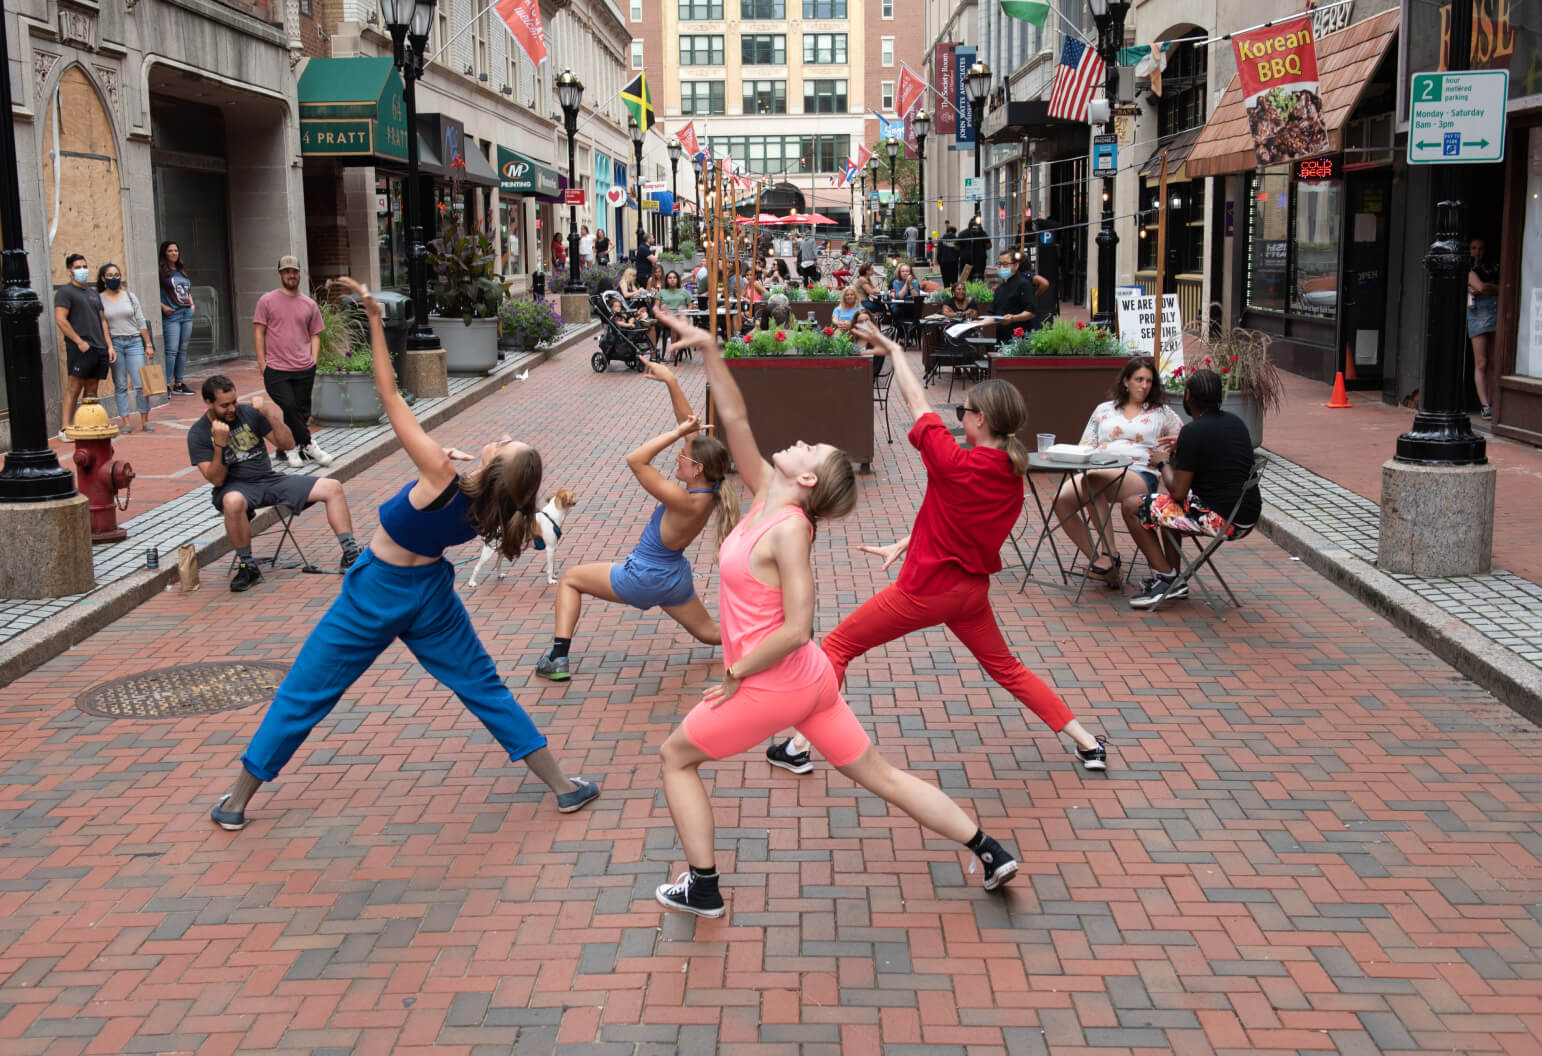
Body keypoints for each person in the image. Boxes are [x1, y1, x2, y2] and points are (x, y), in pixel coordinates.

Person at [648, 306, 1021, 918]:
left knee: (674, 757)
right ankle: (987, 849)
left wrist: (735, 674)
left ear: (809, 483)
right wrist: (710, 349)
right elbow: (735, 415)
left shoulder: (791, 528)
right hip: (811, 685)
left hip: (774, 684)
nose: (799, 442)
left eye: (810, 450)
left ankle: (704, 886)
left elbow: (798, 629)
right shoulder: (768, 489)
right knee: (881, 775)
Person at [209, 276, 599, 832]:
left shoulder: (443, 475)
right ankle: (563, 787)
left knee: (305, 691)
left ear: (493, 469)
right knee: (483, 688)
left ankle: (236, 801)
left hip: (376, 591)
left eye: (505, 445)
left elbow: (390, 395)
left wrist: (372, 316)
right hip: (431, 597)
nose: (502, 435)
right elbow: (469, 492)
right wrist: (452, 463)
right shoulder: (490, 506)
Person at [766, 322, 1109, 777]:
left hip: (925, 591)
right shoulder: (1010, 472)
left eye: (965, 411)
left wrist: (892, 348)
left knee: (838, 645)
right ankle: (1087, 743)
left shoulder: (955, 463)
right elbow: (963, 522)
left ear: (981, 419)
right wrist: (909, 541)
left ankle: (799, 745)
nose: (959, 416)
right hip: (969, 594)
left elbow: (916, 404)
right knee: (1007, 669)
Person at [534, 360, 738, 680]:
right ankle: (767, 637)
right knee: (711, 632)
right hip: (673, 579)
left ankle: (558, 658)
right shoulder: (711, 490)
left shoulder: (683, 500)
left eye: (683, 458)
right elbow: (693, 431)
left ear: (698, 468)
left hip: (642, 578)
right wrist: (671, 381)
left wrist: (675, 433)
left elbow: (636, 460)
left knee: (570, 579)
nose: (678, 457)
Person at [188, 375, 359, 591]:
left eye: (234, 402)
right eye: (224, 405)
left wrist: (269, 414)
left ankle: (350, 553)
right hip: (235, 487)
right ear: (208, 403)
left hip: (269, 480)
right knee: (232, 501)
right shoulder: (198, 433)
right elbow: (217, 479)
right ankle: (247, 566)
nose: (232, 408)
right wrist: (220, 445)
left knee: (333, 487)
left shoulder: (248, 413)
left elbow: (287, 444)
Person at [1121, 368, 1261, 610]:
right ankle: (1173, 576)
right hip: (1247, 515)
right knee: (1166, 508)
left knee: (1132, 506)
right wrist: (1183, 445)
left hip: (1222, 519)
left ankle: (1166, 579)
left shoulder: (1193, 433)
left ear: (1187, 396)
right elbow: (1213, 449)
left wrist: (1162, 462)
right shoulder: (1234, 422)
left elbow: (1177, 491)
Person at [1053, 358, 1181, 587]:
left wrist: (1173, 450)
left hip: (1139, 473)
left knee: (1092, 482)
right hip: (1098, 469)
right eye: (1139, 379)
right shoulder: (1104, 410)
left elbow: (1186, 438)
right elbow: (1087, 444)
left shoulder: (1161, 413)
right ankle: (1102, 563)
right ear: (1126, 381)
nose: (1144, 386)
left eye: (1149, 381)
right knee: (1061, 501)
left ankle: (1110, 556)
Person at [254, 255, 334, 470]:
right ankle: (307, 445)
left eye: (294, 271)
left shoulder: (309, 304)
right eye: (286, 271)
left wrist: (313, 360)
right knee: (288, 406)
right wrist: (262, 363)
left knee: (299, 412)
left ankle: (285, 449)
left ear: (300, 273)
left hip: (304, 367)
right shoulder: (267, 301)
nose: (291, 275)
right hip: (276, 368)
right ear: (280, 274)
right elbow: (259, 332)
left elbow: (316, 333)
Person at [53, 252, 112, 436]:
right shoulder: (65, 292)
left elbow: (102, 321)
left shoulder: (94, 294)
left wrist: (109, 346)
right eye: (78, 267)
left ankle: (87, 424)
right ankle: (65, 428)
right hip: (80, 349)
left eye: (84, 267)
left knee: (92, 388)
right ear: (69, 271)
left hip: (98, 349)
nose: (82, 270)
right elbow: (61, 320)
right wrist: (79, 342)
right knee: (74, 387)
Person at [96, 262, 156, 434]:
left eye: (117, 275)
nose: (114, 278)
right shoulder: (99, 299)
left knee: (140, 383)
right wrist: (109, 347)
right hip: (115, 343)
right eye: (110, 275)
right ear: (103, 278)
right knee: (120, 384)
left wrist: (148, 344)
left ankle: (145, 420)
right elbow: (103, 324)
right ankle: (126, 421)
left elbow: (141, 320)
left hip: (135, 342)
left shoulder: (130, 296)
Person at [158, 241, 196, 395]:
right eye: (170, 250)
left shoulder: (181, 271)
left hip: (186, 313)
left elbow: (186, 290)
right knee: (171, 350)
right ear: (164, 253)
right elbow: (152, 291)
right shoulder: (161, 271)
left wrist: (192, 305)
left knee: (183, 349)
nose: (174, 253)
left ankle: (178, 383)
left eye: (176, 250)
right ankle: (166, 384)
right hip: (172, 315)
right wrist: (162, 306)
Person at [1468, 237, 1499, 418]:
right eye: (1473, 248)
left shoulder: (1493, 266)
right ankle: (1485, 404)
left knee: (1494, 362)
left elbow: (1501, 288)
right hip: (1477, 310)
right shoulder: (1468, 267)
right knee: (1482, 361)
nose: (1477, 252)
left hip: (1494, 308)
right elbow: (1479, 286)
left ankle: (1494, 402)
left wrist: (1487, 288)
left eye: (1480, 248)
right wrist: (1488, 288)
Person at [991, 250, 1048, 339]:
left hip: (1020, 338)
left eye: (1005, 264)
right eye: (999, 264)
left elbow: (1031, 311)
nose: (1001, 268)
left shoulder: (1025, 281)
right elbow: (991, 313)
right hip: (1002, 337)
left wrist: (1035, 295)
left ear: (1017, 265)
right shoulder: (999, 288)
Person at [960, 214, 990, 281]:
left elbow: (957, 247)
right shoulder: (982, 233)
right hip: (975, 262)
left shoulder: (963, 233)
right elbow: (988, 245)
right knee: (975, 280)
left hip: (975, 261)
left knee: (965, 280)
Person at [935, 223, 960, 287]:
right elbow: (958, 251)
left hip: (944, 262)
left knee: (946, 280)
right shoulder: (956, 240)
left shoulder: (941, 240)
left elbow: (939, 252)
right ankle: (954, 293)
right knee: (954, 280)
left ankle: (947, 293)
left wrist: (939, 261)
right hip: (954, 262)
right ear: (954, 232)